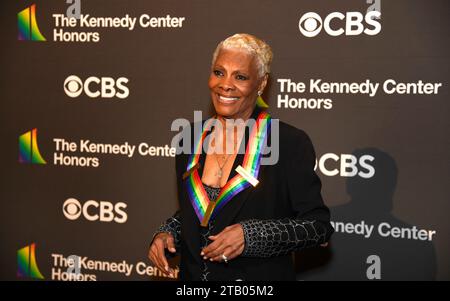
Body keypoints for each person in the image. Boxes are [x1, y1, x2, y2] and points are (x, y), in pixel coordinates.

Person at [148, 33, 334, 281]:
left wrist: (251, 235)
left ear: (261, 84)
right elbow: (207, 208)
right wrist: (169, 232)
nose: (225, 84)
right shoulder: (188, 138)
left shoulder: (288, 142)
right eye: (219, 72)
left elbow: (318, 227)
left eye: (241, 77)